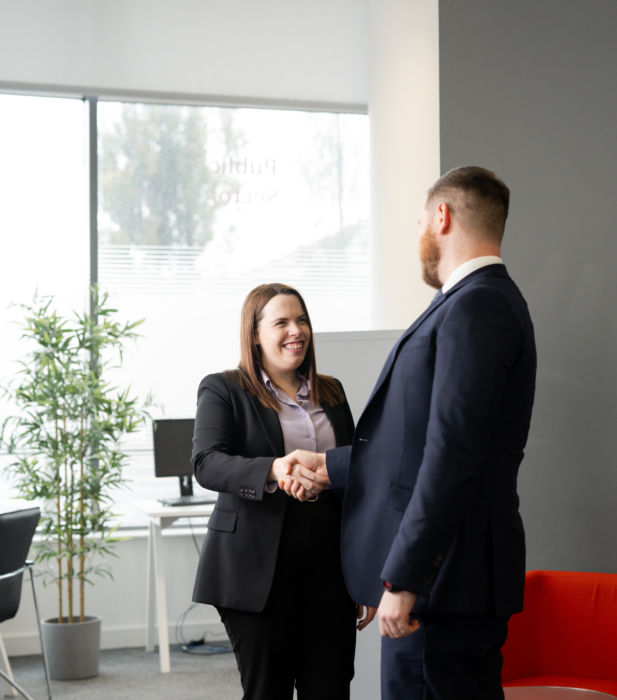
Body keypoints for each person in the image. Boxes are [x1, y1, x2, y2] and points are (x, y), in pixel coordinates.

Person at [283, 166, 537, 700]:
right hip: (453, 580)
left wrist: (405, 578)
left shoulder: (477, 304)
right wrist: (330, 467)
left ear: (441, 217)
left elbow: (452, 456)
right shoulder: (474, 300)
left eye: (420, 220)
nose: (419, 232)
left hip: (441, 585)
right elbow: (416, 446)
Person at [190, 283, 375, 700]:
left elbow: (357, 473)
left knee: (330, 688)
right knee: (267, 691)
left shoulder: (332, 391)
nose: (296, 330)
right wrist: (273, 468)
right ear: (255, 334)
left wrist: (364, 571)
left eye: (302, 320)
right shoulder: (224, 389)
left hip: (330, 565)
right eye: (282, 322)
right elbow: (206, 462)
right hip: (256, 567)